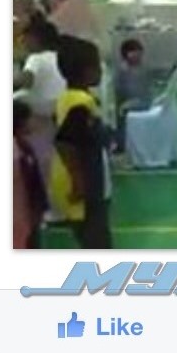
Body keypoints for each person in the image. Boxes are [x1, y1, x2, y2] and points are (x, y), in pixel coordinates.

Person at [50, 36, 113, 249]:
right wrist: (78, 181)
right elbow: (64, 143)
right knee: (97, 242)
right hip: (85, 184)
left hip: (86, 177)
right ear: (87, 71)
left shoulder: (68, 96)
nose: (101, 71)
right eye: (97, 66)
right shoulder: (80, 103)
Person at [14, 20, 66, 205]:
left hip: (38, 116)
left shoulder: (36, 59)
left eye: (25, 38)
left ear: (35, 39)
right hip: (59, 112)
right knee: (53, 160)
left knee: (39, 161)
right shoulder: (60, 57)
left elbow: (26, 81)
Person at [13, 100, 49, 249]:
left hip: (28, 215)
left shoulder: (24, 147)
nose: (33, 122)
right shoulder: (17, 150)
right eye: (30, 118)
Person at [114, 39, 152, 152]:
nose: (140, 56)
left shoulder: (142, 68)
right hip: (129, 103)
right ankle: (122, 143)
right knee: (121, 114)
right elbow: (123, 91)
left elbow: (142, 91)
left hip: (142, 101)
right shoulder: (123, 70)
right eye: (136, 53)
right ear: (128, 54)